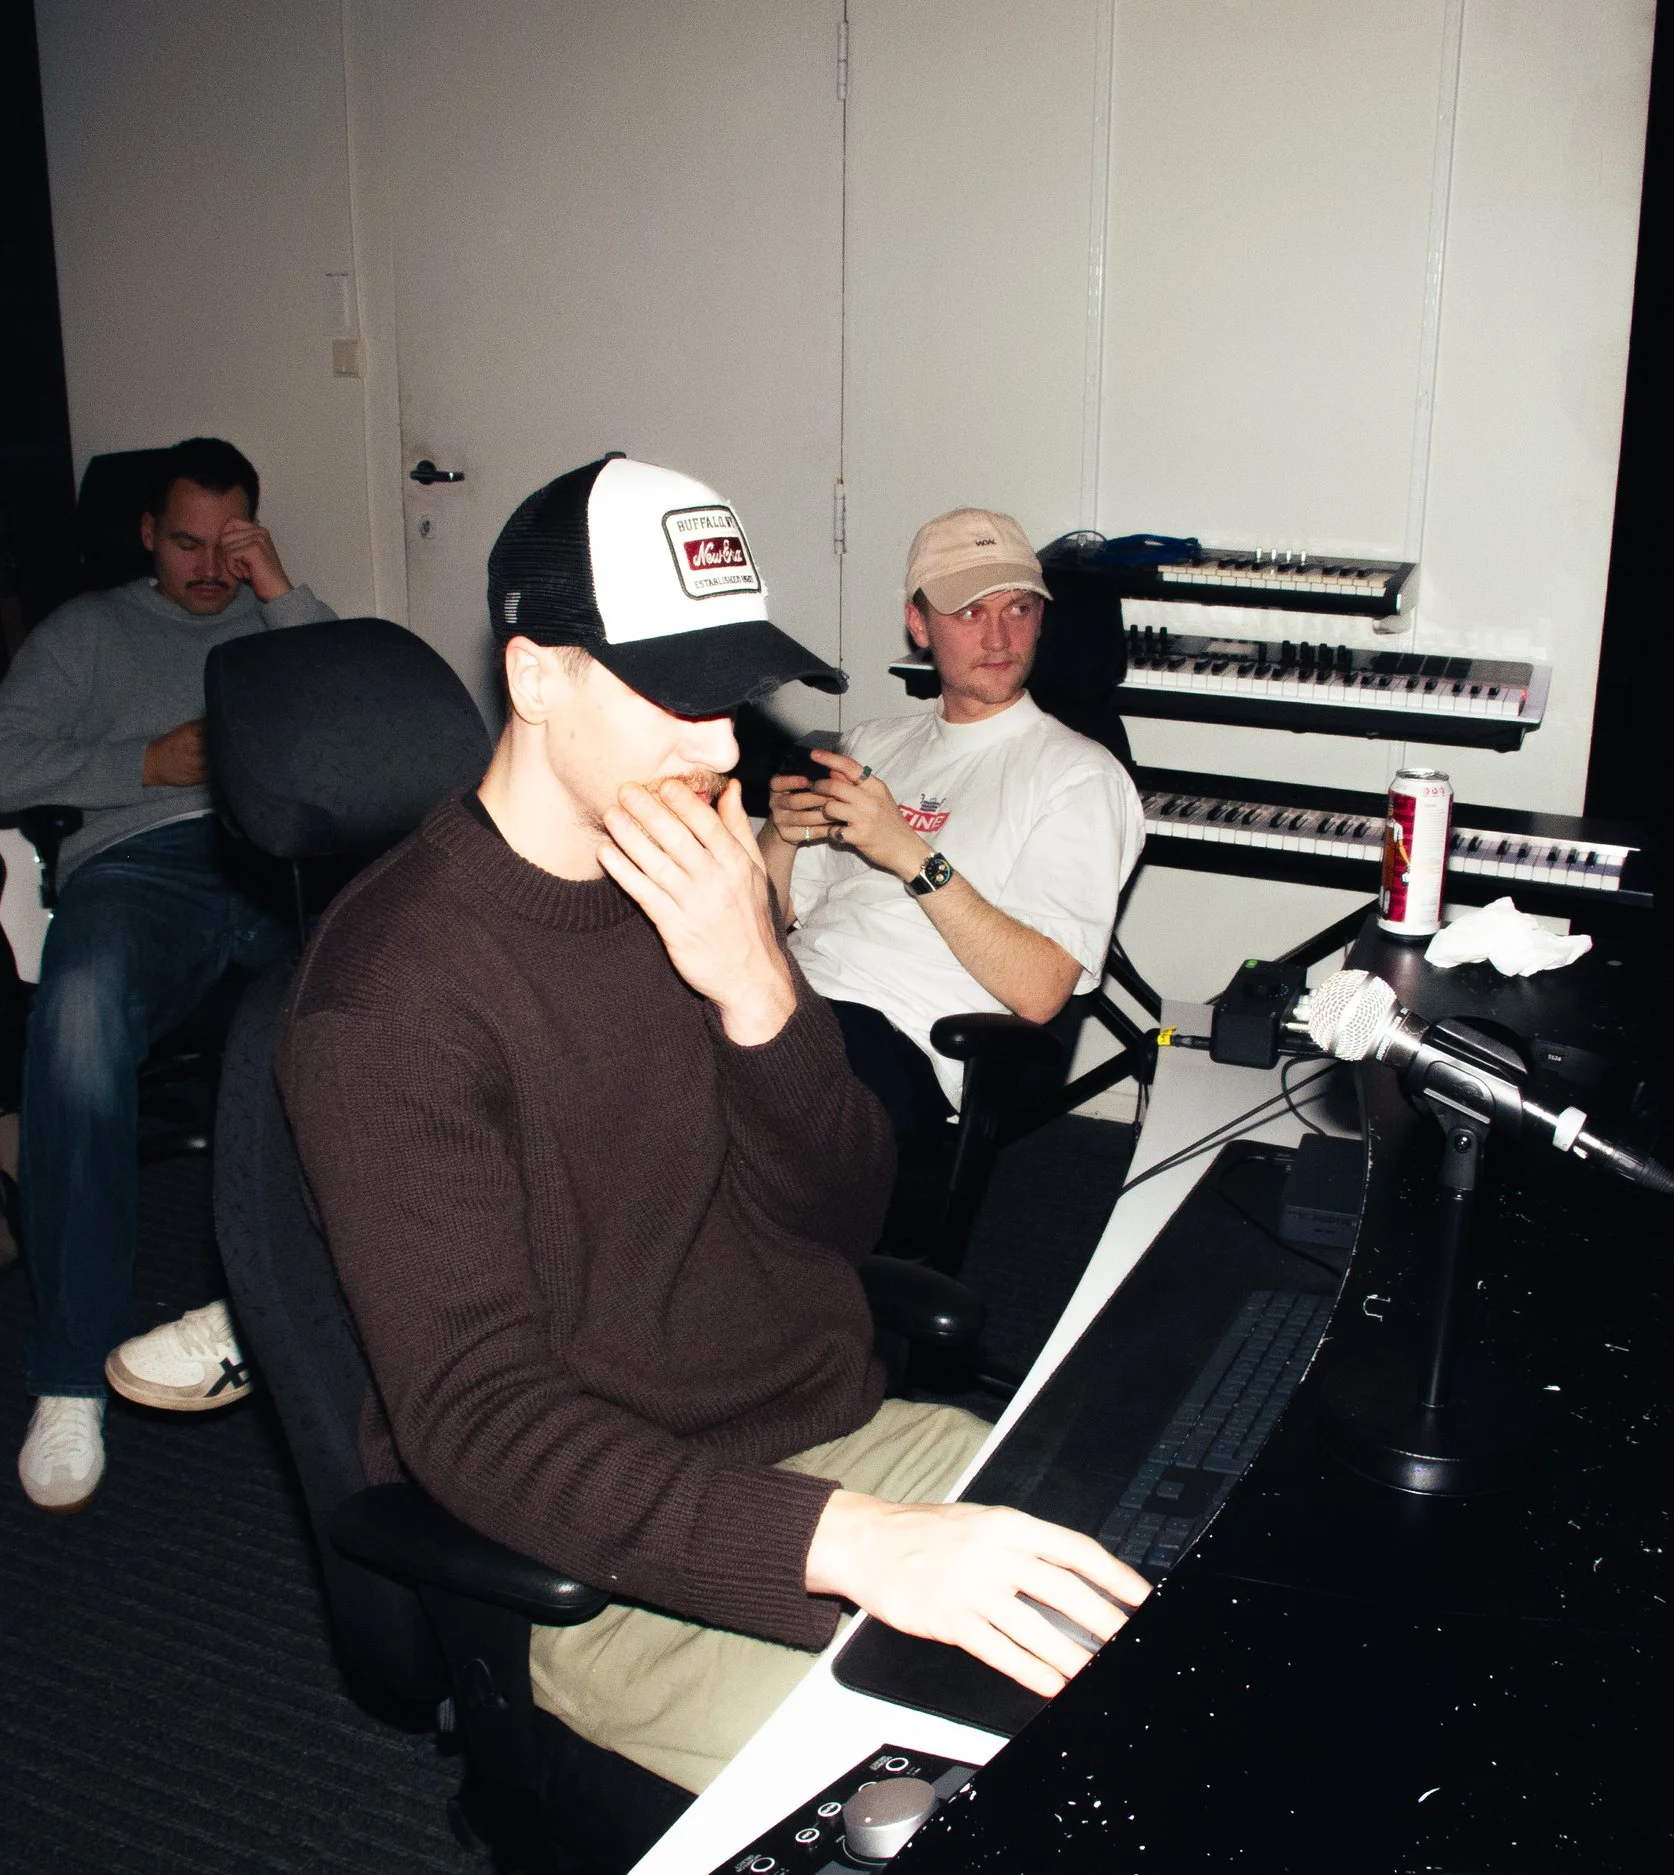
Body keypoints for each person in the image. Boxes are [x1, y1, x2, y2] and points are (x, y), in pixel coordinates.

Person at [279, 456, 1147, 1800]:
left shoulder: (686, 869)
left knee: (1182, 1589)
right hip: (614, 1550)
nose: (723, 744)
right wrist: (858, 1543)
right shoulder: (391, 994)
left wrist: (758, 988)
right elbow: (480, 1421)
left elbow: (845, 1214)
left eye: (729, 691)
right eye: (674, 695)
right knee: (1043, 1778)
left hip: (826, 1433)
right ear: (537, 677)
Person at [0, 436, 335, 1511]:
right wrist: (140, 765)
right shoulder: (86, 633)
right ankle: (72, 1376)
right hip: (137, 871)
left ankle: (345, 1308)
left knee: (387, 996)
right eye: (185, 543)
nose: (208, 568)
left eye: (233, 545)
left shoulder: (278, 621)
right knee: (75, 1023)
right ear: (144, 535)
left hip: (276, 862)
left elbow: (362, 717)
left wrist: (282, 591)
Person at [760, 507, 1145, 1160]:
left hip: (898, 1039)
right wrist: (780, 836)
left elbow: (1041, 989)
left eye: (1018, 608)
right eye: (970, 612)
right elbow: (770, 920)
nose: (999, 635)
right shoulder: (873, 744)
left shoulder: (1082, 776)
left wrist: (910, 853)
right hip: (791, 998)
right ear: (919, 624)